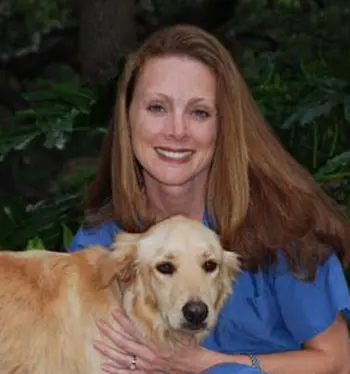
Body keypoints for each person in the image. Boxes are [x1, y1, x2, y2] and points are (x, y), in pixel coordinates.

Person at [68, 24, 350, 374]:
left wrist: (207, 364)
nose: (177, 130)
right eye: (157, 107)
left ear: (224, 125)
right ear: (128, 119)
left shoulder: (280, 226)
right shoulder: (101, 245)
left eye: (199, 112)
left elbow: (338, 362)